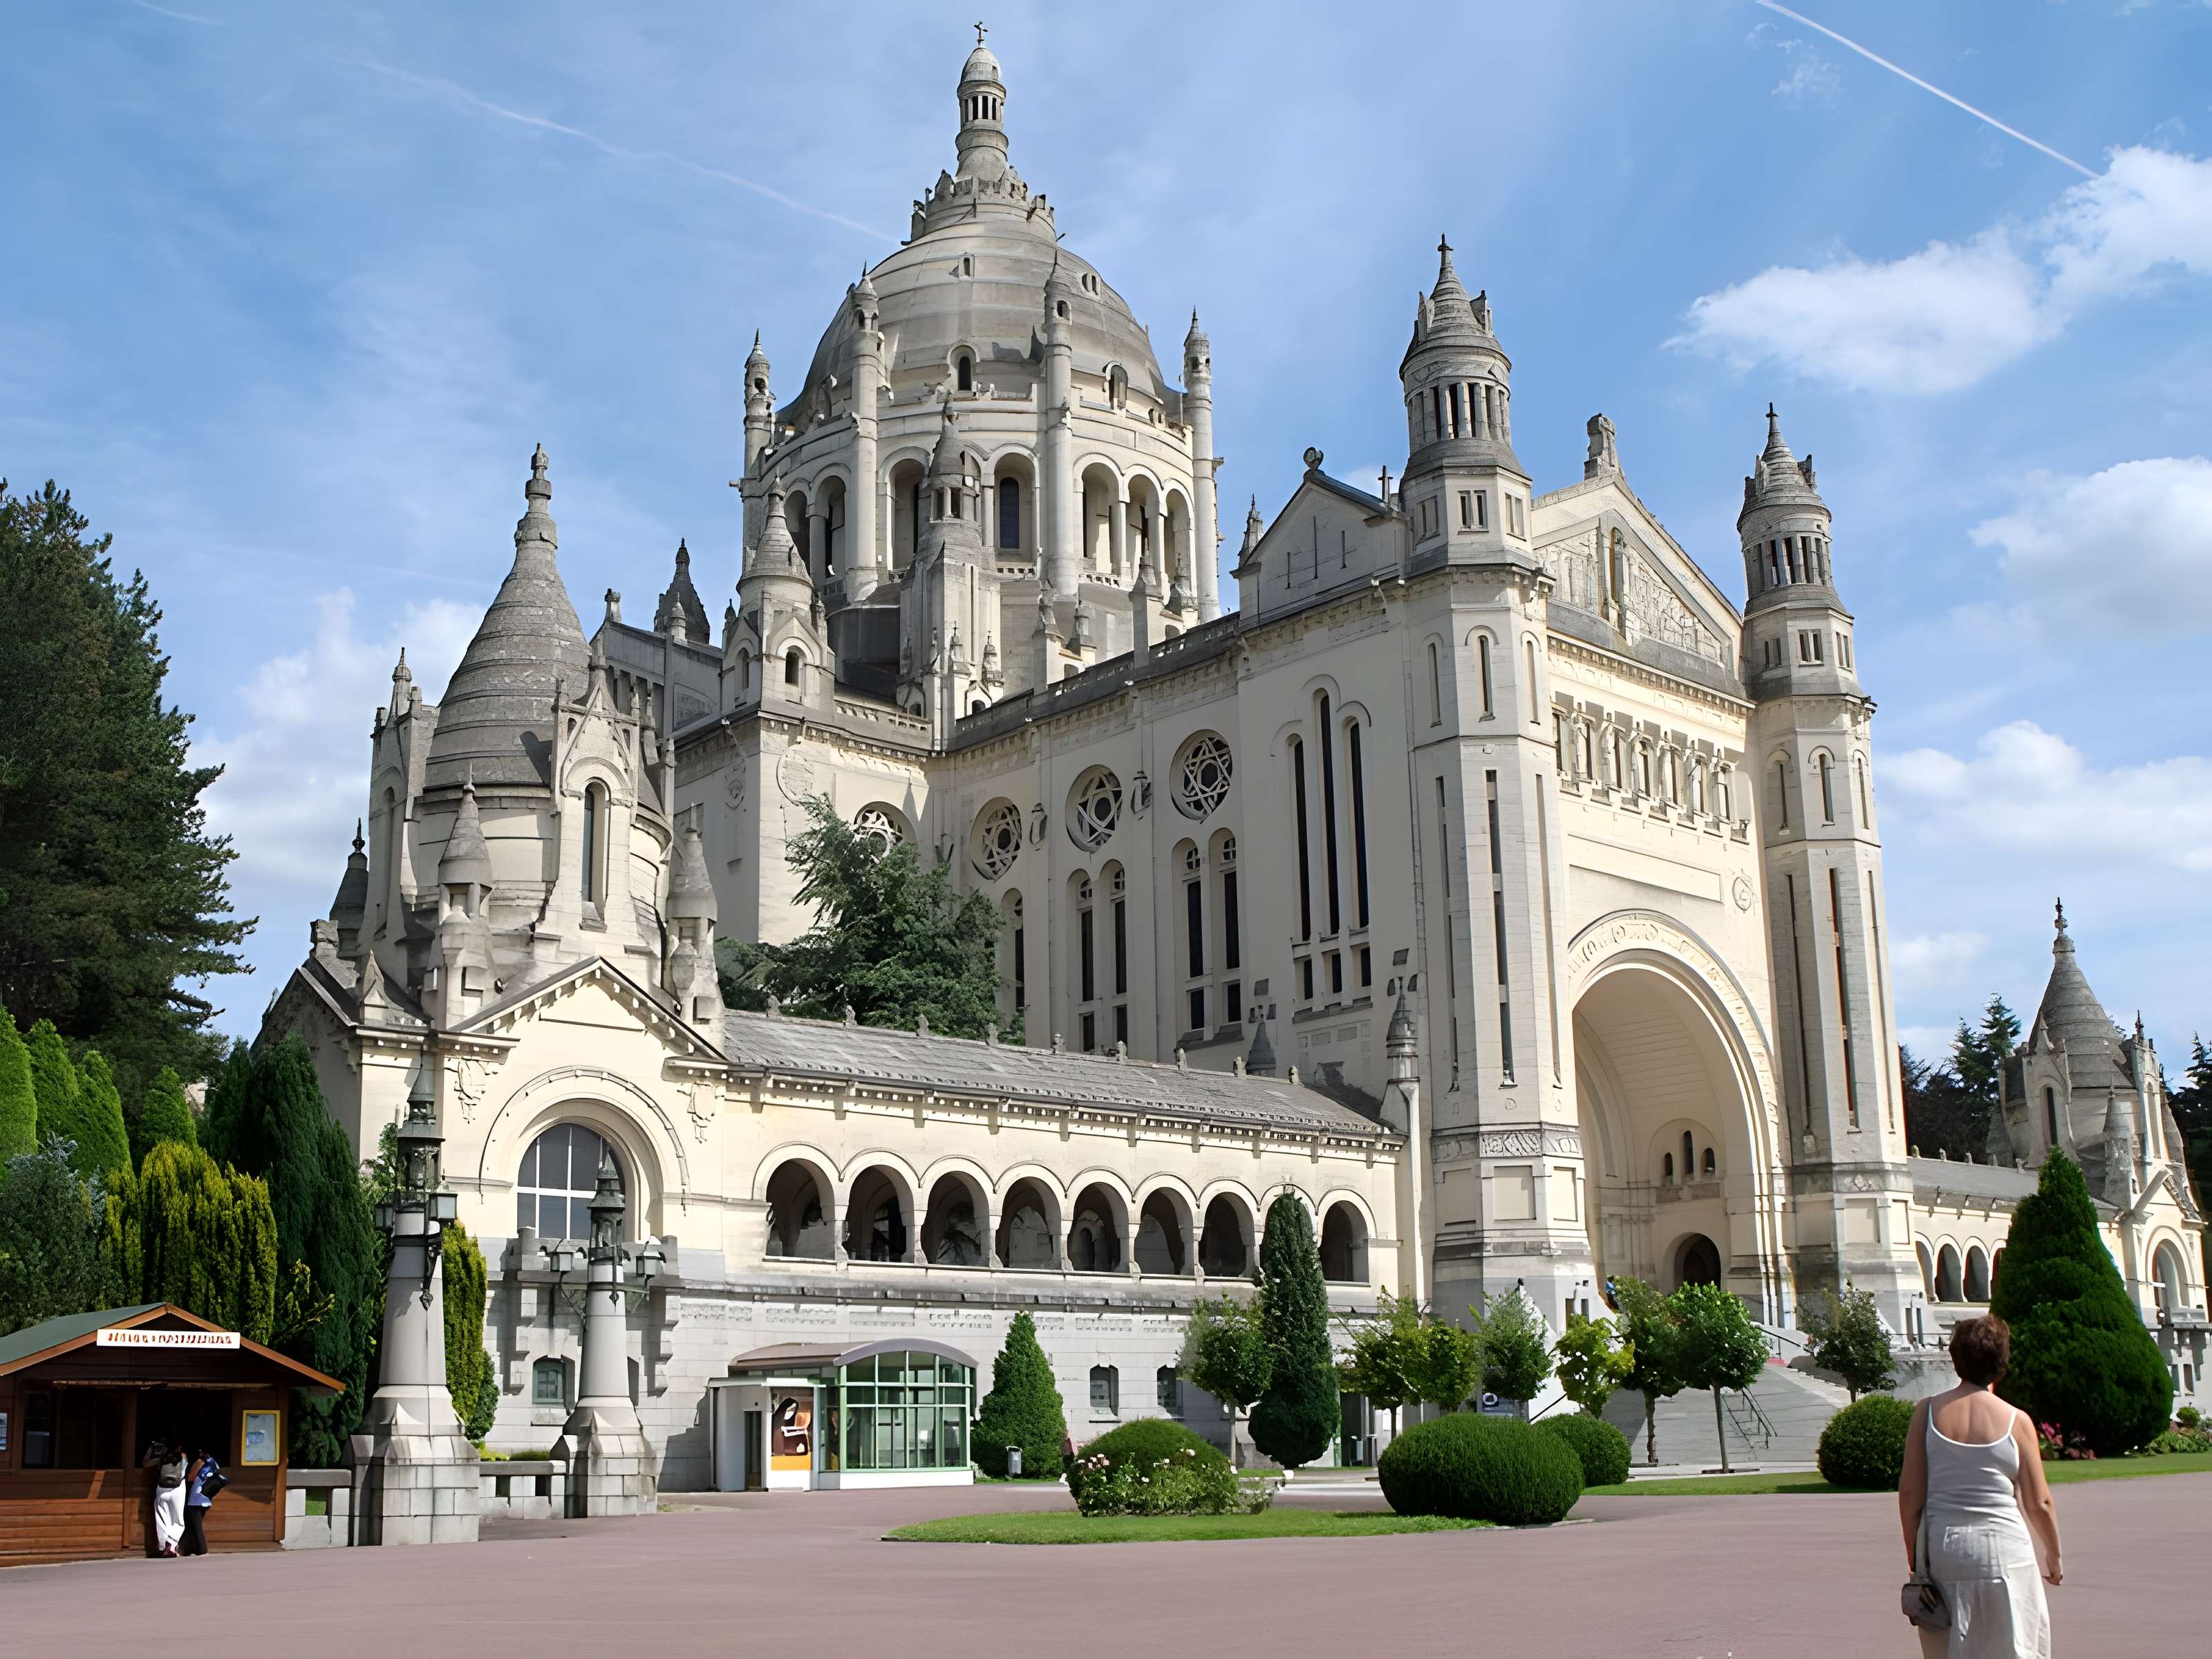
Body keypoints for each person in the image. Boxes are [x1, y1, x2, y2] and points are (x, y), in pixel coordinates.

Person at [1897, 1315, 2061, 1658]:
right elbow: (2039, 1503)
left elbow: (1911, 1496)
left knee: (1950, 1646)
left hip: (1944, 1548)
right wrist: (2053, 1554)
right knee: (2015, 1644)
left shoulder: (1926, 1413)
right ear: (2001, 1364)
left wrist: (1916, 1557)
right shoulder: (2017, 1421)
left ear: (1956, 1359)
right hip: (2006, 1549)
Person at [146, 1440, 187, 1557]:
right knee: (178, 1519)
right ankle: (172, 1545)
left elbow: (146, 1463)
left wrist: (152, 1449)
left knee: (162, 1519)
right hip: (178, 1490)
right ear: (180, 1447)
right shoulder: (184, 1456)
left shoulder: (162, 1458)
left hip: (162, 1489)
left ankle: (163, 1546)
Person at [180, 1443, 221, 1557]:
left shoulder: (201, 1462)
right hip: (206, 1497)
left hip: (196, 1498)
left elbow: (191, 1477)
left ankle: (202, 1549)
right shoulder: (214, 1462)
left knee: (196, 1524)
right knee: (195, 1523)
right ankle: (193, 1548)